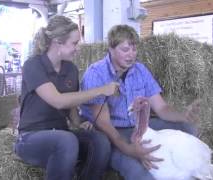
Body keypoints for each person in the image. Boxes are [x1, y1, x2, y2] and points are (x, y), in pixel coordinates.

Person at [80, 24, 200, 180]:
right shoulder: (96, 73)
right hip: (113, 134)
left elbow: (162, 108)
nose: (131, 55)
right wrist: (130, 150)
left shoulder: (140, 70)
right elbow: (104, 125)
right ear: (111, 48)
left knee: (186, 127)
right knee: (140, 174)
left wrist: (184, 115)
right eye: (125, 50)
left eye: (134, 49)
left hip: (140, 127)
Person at [14, 15, 119, 180]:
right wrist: (101, 90)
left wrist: (79, 123)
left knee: (100, 141)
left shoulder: (70, 69)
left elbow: (71, 104)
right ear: (57, 42)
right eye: (74, 43)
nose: (78, 48)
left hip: (62, 133)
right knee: (66, 140)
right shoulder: (33, 65)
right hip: (31, 137)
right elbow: (58, 101)